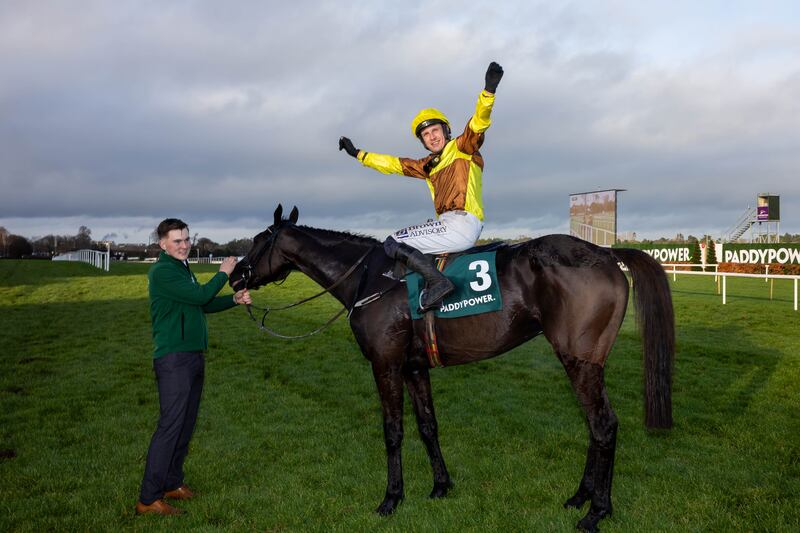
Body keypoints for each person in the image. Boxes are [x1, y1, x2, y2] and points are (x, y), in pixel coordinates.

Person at [339, 61, 503, 311]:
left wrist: (488, 92)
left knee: (393, 242)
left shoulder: (462, 147)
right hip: (448, 223)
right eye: (426, 135)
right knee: (404, 245)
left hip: (462, 222)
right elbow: (394, 164)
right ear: (423, 142)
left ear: (446, 131)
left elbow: (479, 122)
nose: (432, 137)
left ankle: (438, 284)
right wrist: (359, 154)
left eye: (435, 130)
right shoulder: (426, 166)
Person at [135, 218, 252, 516]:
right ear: (163, 244)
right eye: (177, 241)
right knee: (170, 427)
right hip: (174, 359)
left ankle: (172, 482)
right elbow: (201, 295)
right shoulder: (162, 271)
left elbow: (200, 304)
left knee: (186, 424)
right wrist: (223, 274)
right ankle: (149, 499)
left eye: (187, 239)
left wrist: (234, 300)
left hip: (191, 355)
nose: (184, 245)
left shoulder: (181, 268)